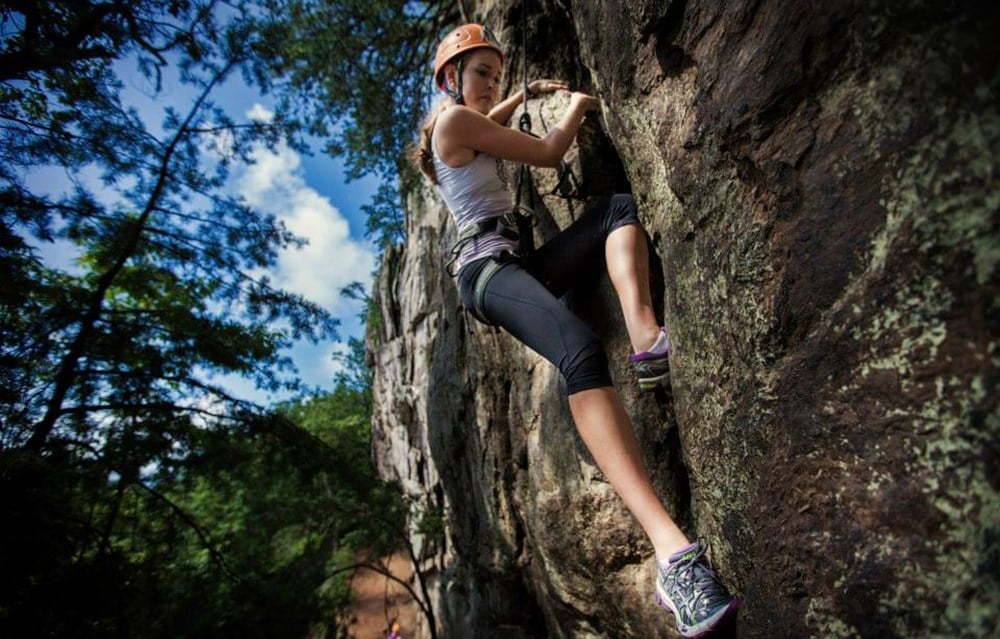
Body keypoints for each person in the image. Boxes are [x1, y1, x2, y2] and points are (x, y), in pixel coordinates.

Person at [410, 23, 740, 637]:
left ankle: (645, 339)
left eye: (495, 75)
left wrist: (523, 91)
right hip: (484, 275)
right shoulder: (451, 123)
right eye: (480, 73)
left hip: (516, 263)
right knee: (580, 349)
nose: (490, 85)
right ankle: (673, 555)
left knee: (618, 208)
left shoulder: (465, 124)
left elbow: (495, 119)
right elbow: (545, 153)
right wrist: (579, 107)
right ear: (451, 79)